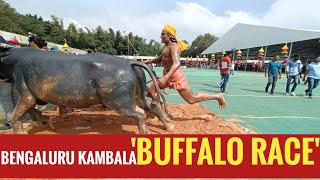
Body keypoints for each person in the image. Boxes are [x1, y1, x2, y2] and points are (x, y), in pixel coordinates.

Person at [144, 24, 226, 109]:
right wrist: (146, 62)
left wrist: (165, 77)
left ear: (169, 35)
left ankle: (217, 96)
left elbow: (177, 63)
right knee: (152, 90)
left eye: (163, 34)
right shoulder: (167, 48)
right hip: (167, 76)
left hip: (176, 77)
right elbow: (158, 59)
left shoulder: (174, 47)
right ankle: (159, 108)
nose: (161, 36)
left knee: (191, 99)